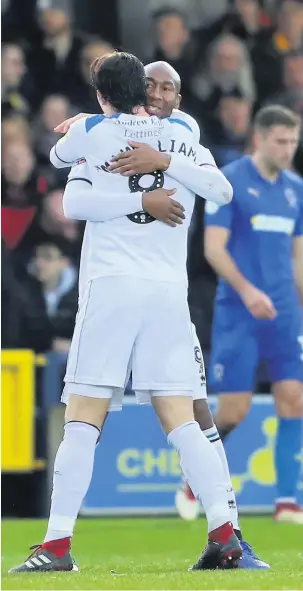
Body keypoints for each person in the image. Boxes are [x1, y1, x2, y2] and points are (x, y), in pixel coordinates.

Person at [9, 51, 240, 574]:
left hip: (112, 287)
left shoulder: (93, 131)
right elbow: (221, 191)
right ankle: (225, 537)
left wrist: (89, 131)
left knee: (83, 416)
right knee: (183, 417)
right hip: (167, 293)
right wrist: (161, 176)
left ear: (100, 94)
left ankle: (58, 546)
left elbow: (67, 187)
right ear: (146, 90)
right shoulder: (183, 134)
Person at [204, 105, 303, 524]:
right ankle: (196, 477)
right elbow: (213, 248)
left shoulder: (295, 188)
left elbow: (298, 259)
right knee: (233, 412)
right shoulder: (228, 181)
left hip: (283, 313)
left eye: (294, 141)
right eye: (281, 141)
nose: (288, 149)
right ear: (259, 138)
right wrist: (247, 292)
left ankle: (287, 501)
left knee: (294, 401)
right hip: (239, 311)